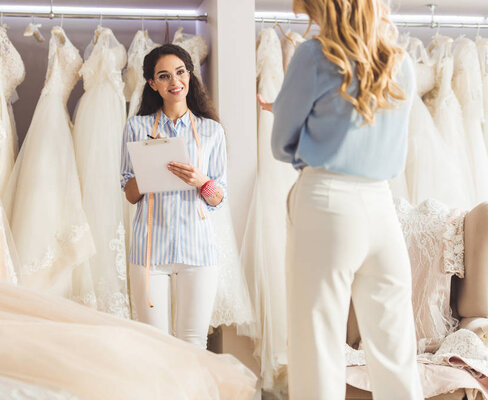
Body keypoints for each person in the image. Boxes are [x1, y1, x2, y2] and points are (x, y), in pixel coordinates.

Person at [259, 0, 424, 398]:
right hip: (382, 207)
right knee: (395, 349)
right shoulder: (401, 62)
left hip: (327, 202)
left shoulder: (314, 55)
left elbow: (282, 145)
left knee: (317, 343)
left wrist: (292, 120)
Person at [121, 44, 226, 349]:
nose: (174, 81)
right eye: (164, 76)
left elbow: (219, 197)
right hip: (149, 250)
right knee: (153, 345)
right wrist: (151, 168)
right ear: (153, 84)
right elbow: (129, 193)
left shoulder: (211, 131)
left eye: (180, 72)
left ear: (189, 75)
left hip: (199, 250)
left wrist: (202, 181)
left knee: (193, 342)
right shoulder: (137, 127)